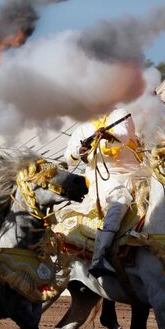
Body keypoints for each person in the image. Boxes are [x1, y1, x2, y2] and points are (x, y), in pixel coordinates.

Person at [65, 108, 142, 277]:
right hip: (104, 178)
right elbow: (68, 158)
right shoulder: (83, 128)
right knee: (121, 198)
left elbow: (122, 135)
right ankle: (99, 256)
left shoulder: (120, 114)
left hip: (136, 174)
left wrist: (107, 135)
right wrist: (80, 150)